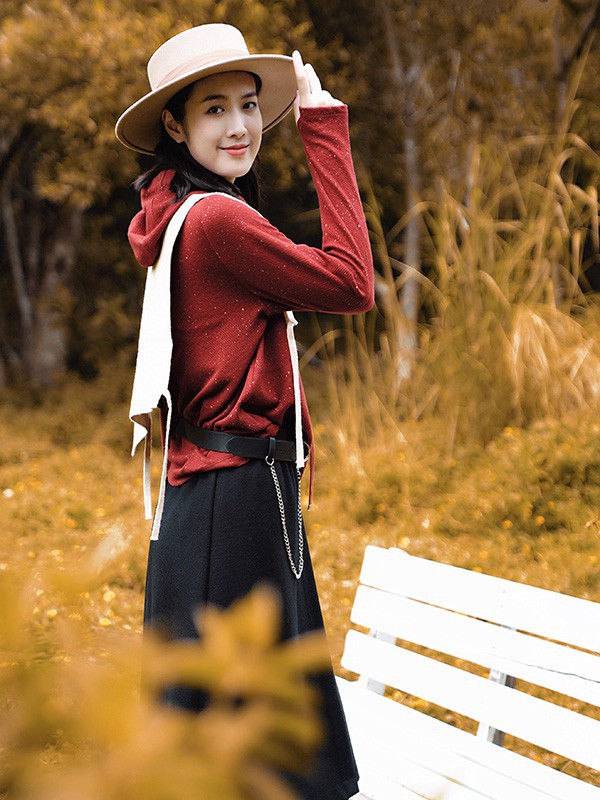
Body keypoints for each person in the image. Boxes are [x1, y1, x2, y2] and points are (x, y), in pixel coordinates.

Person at [115, 22, 373, 800]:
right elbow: (352, 281)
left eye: (250, 105)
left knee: (217, 738)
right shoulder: (218, 221)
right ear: (175, 125)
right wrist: (322, 128)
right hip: (236, 497)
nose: (239, 126)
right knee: (259, 750)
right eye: (214, 109)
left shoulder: (180, 211)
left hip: (211, 495)